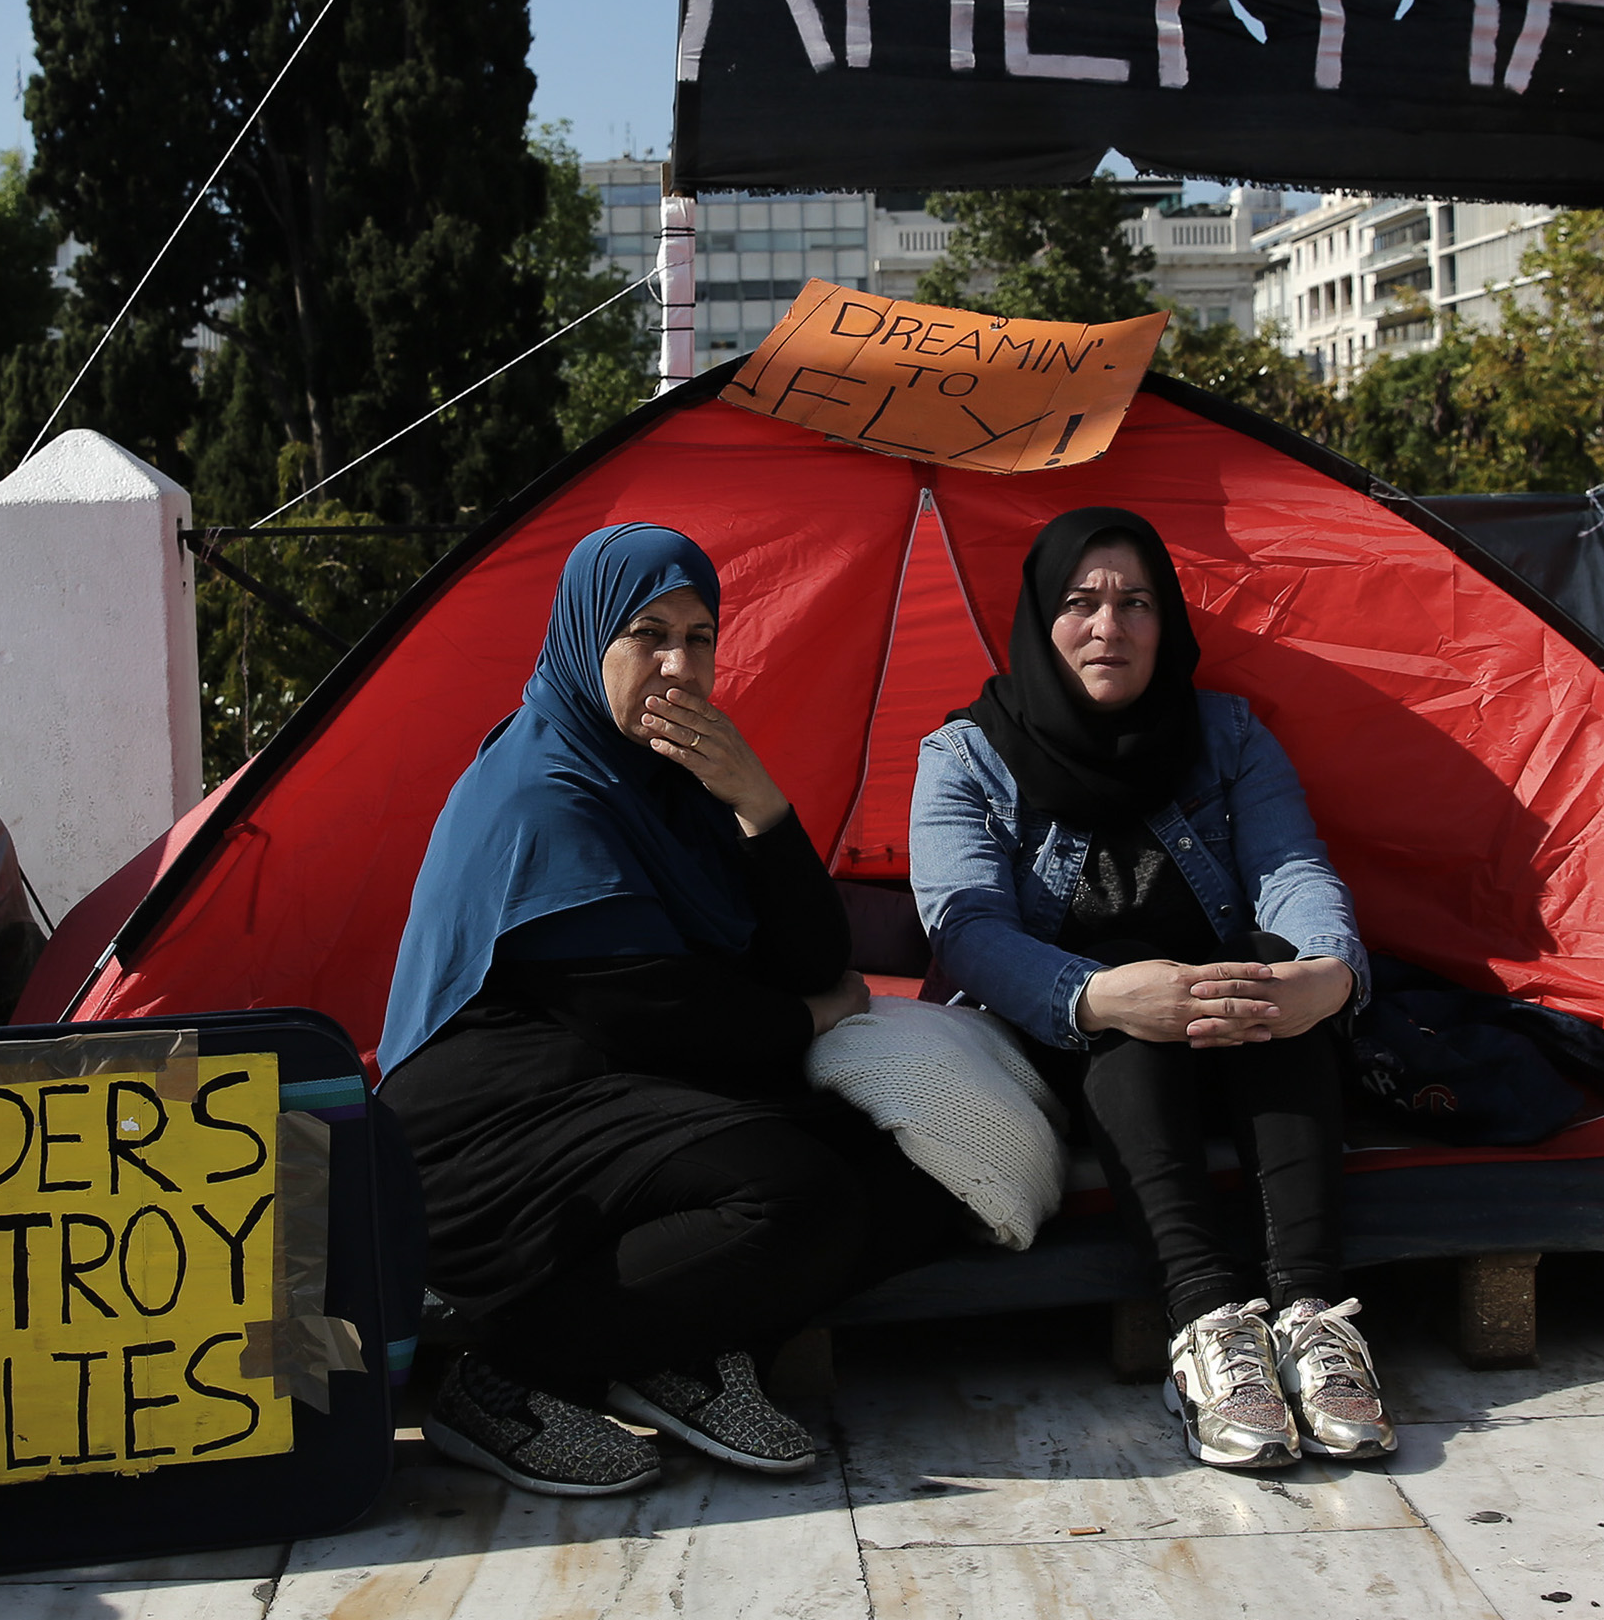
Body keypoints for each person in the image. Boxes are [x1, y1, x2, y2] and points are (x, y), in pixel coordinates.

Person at [378, 522, 970, 1499]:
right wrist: (819, 1017)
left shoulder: (674, 784)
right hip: (485, 1127)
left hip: (616, 1084)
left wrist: (758, 801)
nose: (677, 665)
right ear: (585, 640)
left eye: (699, 639)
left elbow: (810, 953)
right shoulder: (544, 790)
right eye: (648, 634)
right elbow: (657, 1013)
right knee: (792, 1193)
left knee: (921, 1151)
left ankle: (676, 1346)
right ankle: (512, 1380)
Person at [908, 505, 1395, 1471]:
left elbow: (1290, 866)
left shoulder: (1224, 733)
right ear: (1041, 618)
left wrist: (1324, 973)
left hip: (1229, 1026)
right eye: (1080, 602)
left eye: (1135, 602)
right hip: (1076, 1038)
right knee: (1129, 1032)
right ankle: (1208, 1321)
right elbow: (965, 932)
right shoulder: (963, 755)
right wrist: (1099, 996)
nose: (1108, 627)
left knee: (1264, 983)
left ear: (1165, 621)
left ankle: (1310, 1315)